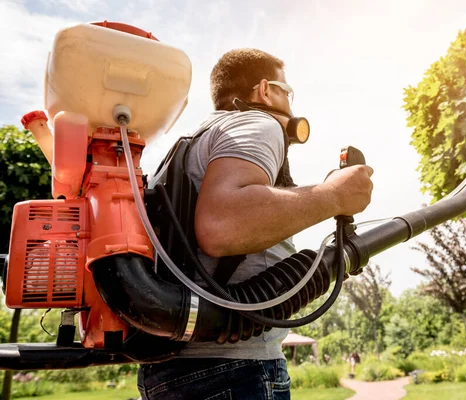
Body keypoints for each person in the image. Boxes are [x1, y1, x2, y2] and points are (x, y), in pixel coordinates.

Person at [137, 48, 374, 400]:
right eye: (287, 92)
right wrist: (334, 196)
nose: (290, 104)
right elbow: (220, 224)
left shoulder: (190, 144)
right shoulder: (258, 122)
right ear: (265, 90)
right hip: (234, 370)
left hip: (172, 371)